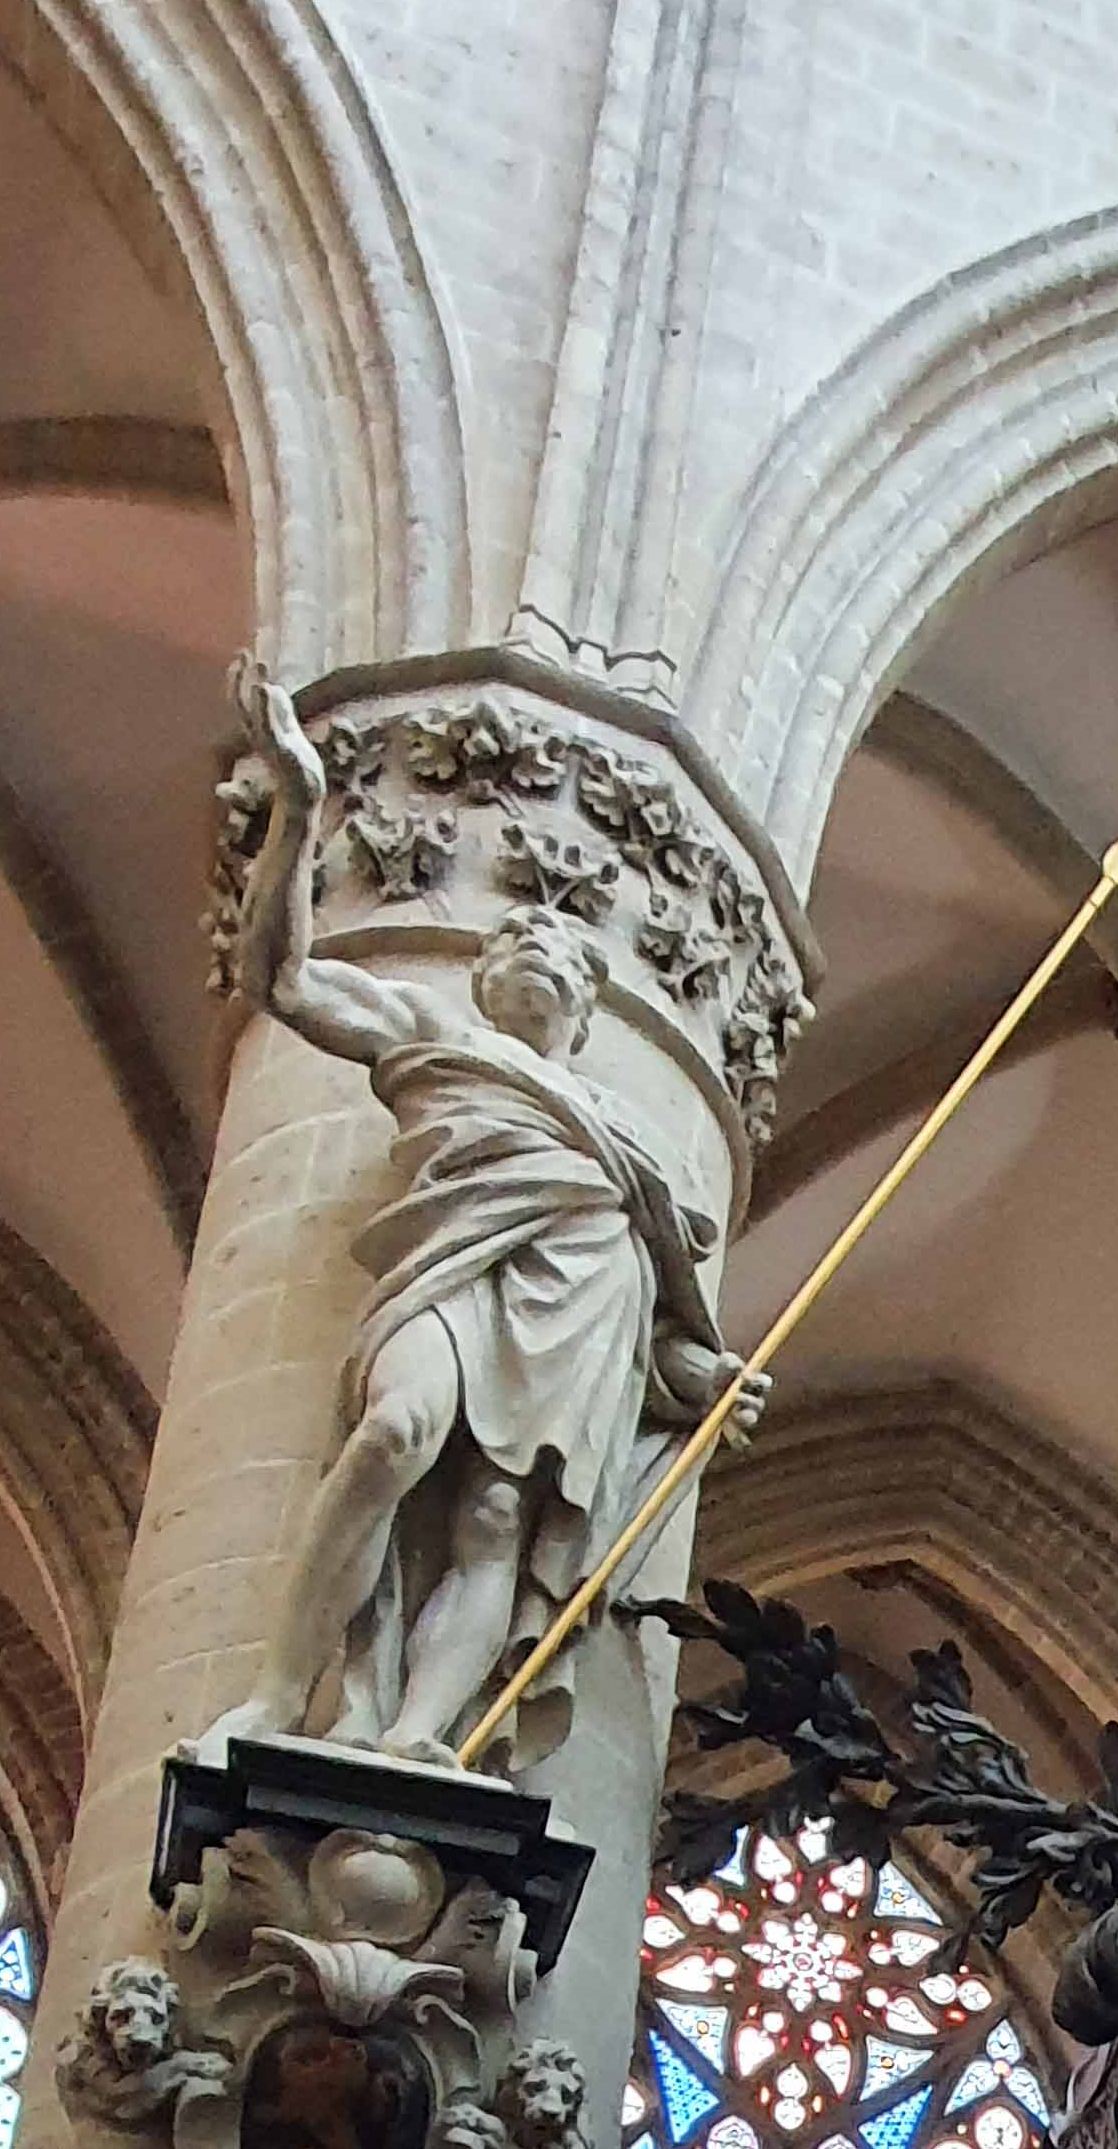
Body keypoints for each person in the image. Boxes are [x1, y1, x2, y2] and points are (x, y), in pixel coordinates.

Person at [209, 662, 767, 1770]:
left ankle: (424, 1737)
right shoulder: (435, 1037)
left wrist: (705, 1379)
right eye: (516, 942)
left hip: (583, 1308)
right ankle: (278, 1694)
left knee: (500, 1522)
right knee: (394, 1432)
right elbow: (281, 979)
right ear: (481, 979)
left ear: (589, 1008)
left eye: (560, 953)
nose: (536, 952)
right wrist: (301, 807)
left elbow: (661, 1306)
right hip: (455, 1271)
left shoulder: (631, 1138)